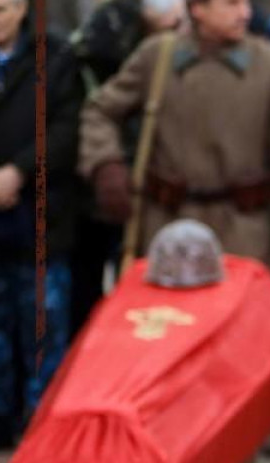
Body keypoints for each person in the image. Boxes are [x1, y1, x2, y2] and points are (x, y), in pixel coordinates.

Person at [80, 0, 270, 463]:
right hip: (167, 233)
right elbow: (99, 109)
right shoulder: (158, 55)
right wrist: (106, 165)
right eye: (229, 3)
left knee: (234, 363)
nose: (244, 12)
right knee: (162, 356)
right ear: (197, 9)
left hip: (243, 234)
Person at [0, 0, 83, 450]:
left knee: (42, 327)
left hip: (41, 219)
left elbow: (68, 129)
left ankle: (44, 426)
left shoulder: (56, 58)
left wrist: (19, 171)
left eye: (1, 8)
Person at [67, 0, 185, 334]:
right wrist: (106, 164)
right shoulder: (108, 37)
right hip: (103, 188)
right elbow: (99, 109)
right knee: (94, 291)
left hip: (150, 192)